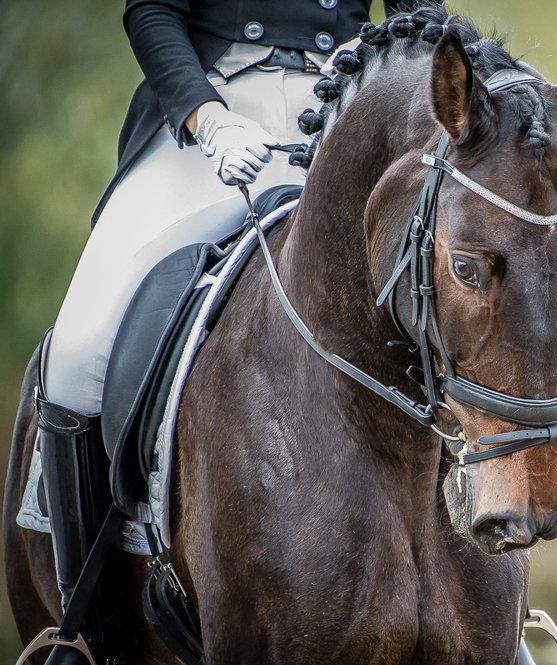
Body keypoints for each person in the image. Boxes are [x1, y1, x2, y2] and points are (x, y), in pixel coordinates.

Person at [30, 2, 410, 663]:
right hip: (213, 109)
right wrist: (207, 119)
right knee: (73, 357)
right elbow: (153, 11)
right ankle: (89, 628)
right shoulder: (207, 111)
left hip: (356, 119)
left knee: (454, 308)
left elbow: (418, 19)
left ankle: (483, 612)